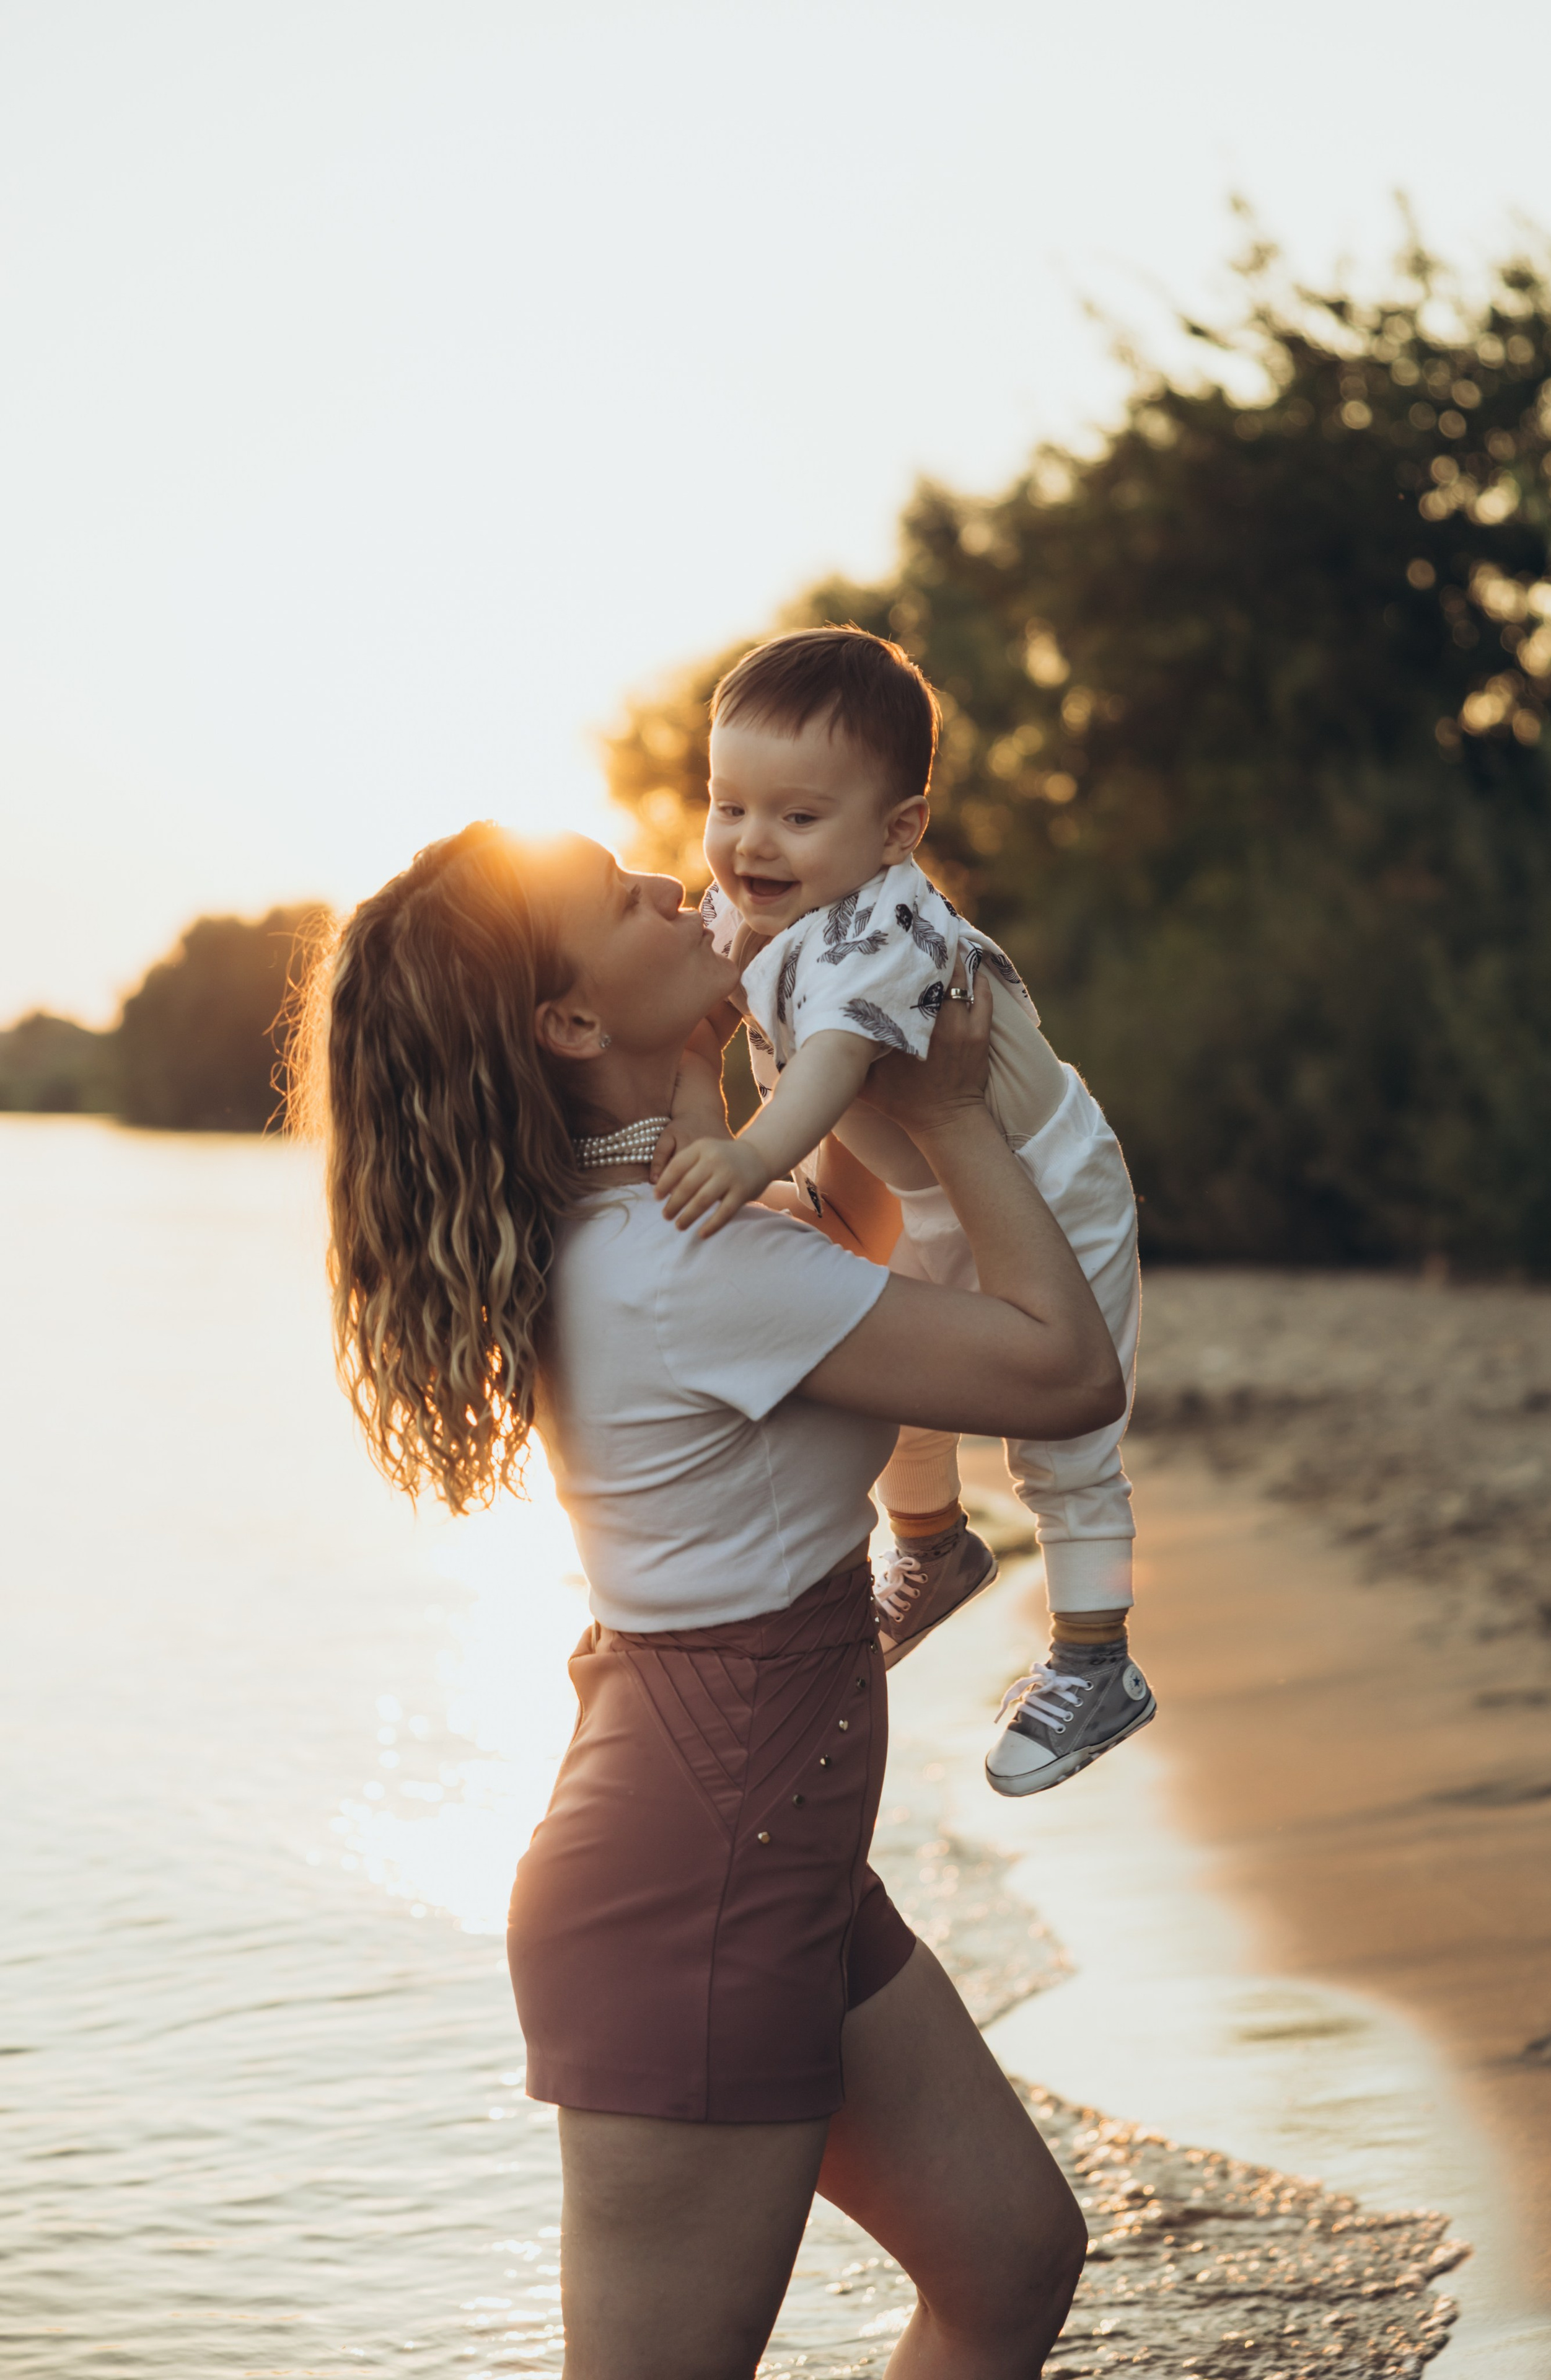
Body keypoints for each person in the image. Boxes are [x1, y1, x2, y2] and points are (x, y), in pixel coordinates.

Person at [297, 820, 1125, 2380]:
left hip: (758, 1858)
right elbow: (1066, 1374)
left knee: (1010, 2259)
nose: (682, 888)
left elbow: (834, 1248)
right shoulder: (674, 1265)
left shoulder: (665, 1226)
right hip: (694, 1894)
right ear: (567, 1022)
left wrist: (766, 1083)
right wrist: (948, 1110)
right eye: (626, 902)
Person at [654, 625, 1150, 1796]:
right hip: (926, 1192)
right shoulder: (766, 902)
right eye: (729, 806)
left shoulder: (882, 927)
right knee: (900, 1377)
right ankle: (931, 1548)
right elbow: (712, 995)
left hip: (1050, 1187)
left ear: (897, 833)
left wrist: (746, 1153)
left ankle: (1095, 1659)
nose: (748, 844)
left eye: (796, 816)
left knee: (1063, 1448)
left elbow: (830, 1060)